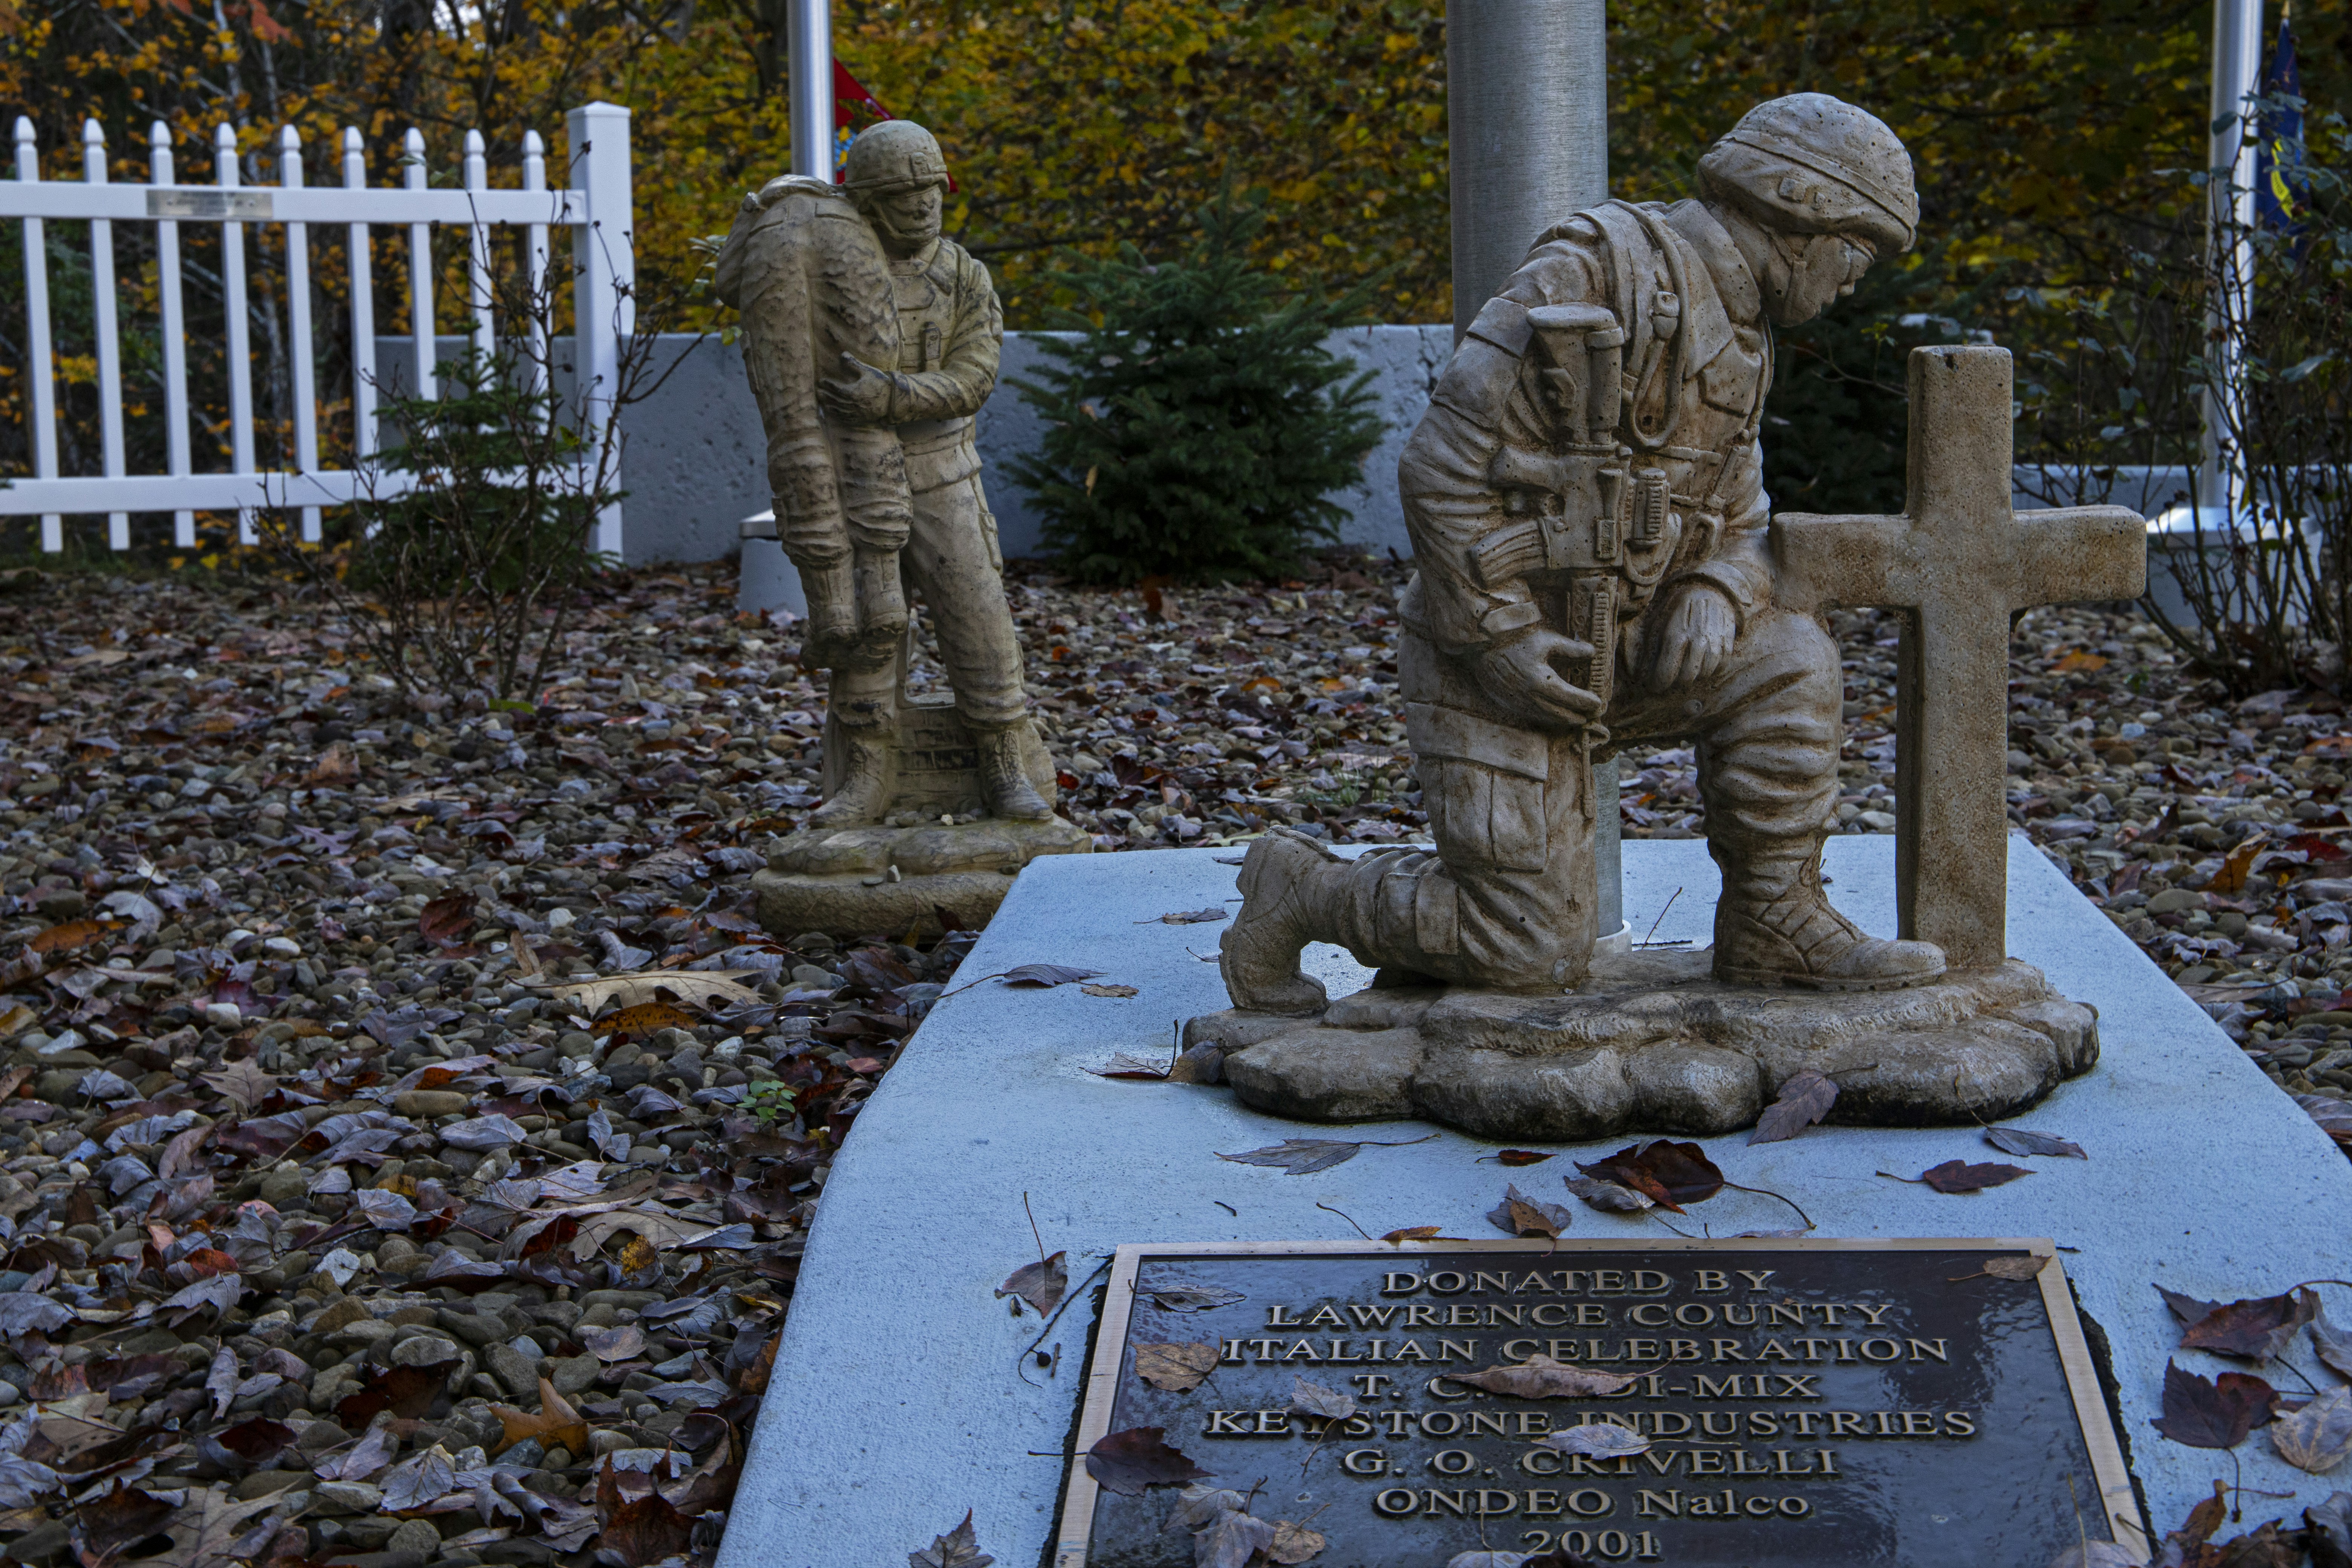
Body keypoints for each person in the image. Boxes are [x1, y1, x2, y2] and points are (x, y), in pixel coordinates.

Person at [1221, 93, 1947, 1013]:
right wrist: (1499, 641)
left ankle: (1775, 918)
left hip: (1630, 647)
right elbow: (1440, 464)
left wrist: (1720, 589)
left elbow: (1745, 520)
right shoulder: (1595, 270)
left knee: (1790, 653)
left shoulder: (1748, 336)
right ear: (1801, 209)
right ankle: (1307, 890)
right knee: (1527, 949)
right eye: (1860, 250)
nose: (1856, 279)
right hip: (1501, 662)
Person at [810, 122, 1049, 826]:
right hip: (856, 478)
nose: (923, 204)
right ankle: (865, 773)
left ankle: (1004, 763)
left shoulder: (963, 276)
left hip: (944, 474)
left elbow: (974, 376)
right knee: (866, 630)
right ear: (870, 205)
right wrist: (776, 210)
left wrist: (891, 396)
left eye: (931, 189)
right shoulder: (833, 273)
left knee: (979, 618)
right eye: (901, 193)